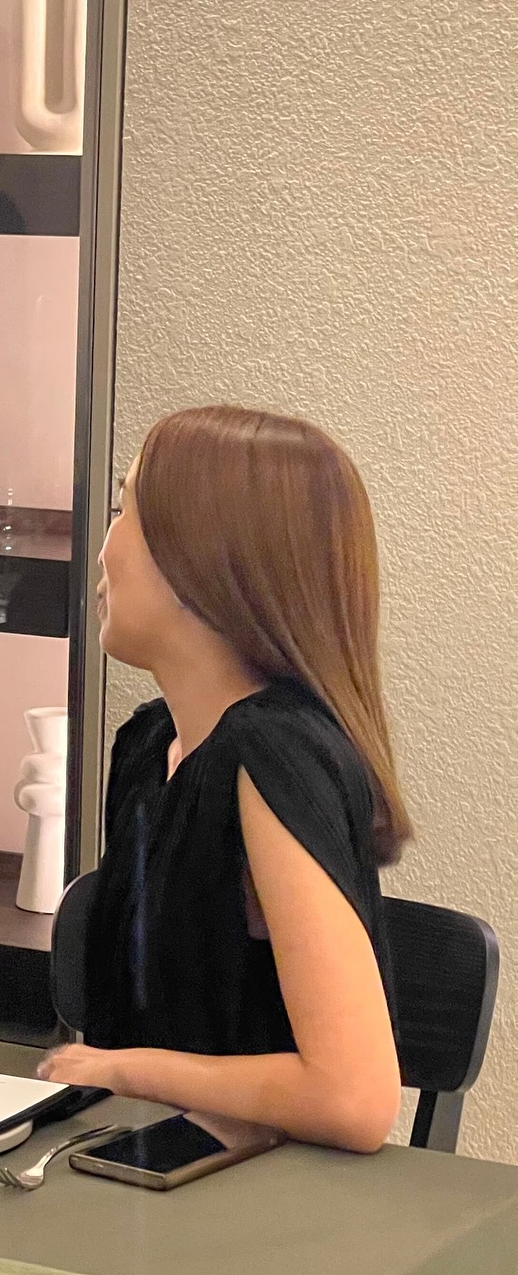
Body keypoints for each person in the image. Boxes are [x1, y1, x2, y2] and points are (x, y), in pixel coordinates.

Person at [38, 406, 407, 1153]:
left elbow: (354, 1098)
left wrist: (122, 1070)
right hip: (153, 1174)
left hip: (266, 1203)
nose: (104, 549)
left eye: (124, 512)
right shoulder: (149, 746)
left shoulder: (272, 753)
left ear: (198, 562)